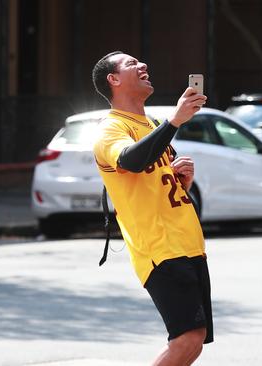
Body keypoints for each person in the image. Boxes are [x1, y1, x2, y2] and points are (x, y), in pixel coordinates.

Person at [91, 51, 211, 365]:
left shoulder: (151, 124)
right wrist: (175, 120)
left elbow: (153, 181)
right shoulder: (110, 128)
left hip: (187, 243)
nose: (143, 65)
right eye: (131, 64)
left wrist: (181, 181)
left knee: (194, 341)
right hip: (160, 247)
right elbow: (130, 159)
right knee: (186, 339)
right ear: (113, 80)